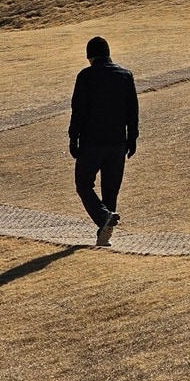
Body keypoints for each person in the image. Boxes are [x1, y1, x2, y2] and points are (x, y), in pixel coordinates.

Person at [68, 36, 138, 246]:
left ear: (90, 56)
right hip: (117, 143)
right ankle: (104, 232)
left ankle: (103, 220)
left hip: (91, 143)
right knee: (111, 189)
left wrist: (74, 138)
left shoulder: (85, 76)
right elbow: (132, 110)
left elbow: (77, 110)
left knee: (83, 184)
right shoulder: (125, 76)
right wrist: (132, 138)